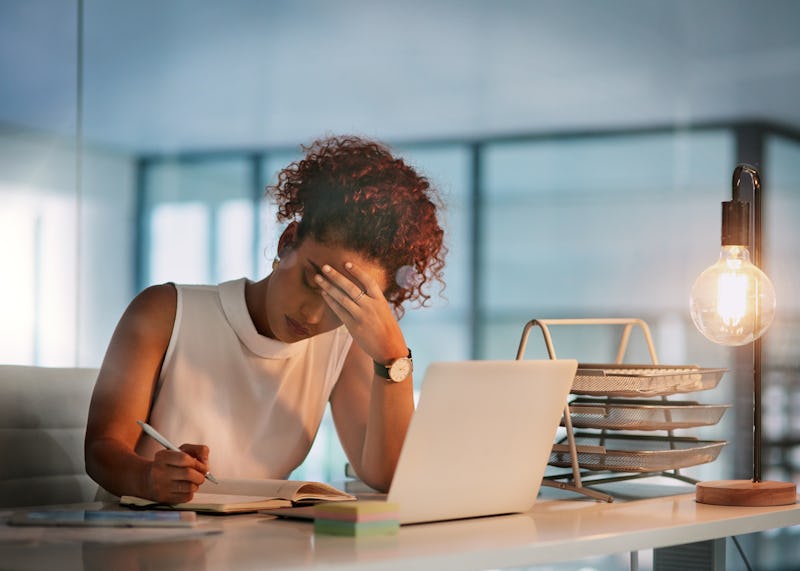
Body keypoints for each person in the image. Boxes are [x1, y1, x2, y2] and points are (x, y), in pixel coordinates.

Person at [85, 135, 446, 504]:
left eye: (343, 303)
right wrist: (147, 478)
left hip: (255, 548)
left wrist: (393, 358)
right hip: (136, 541)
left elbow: (387, 475)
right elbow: (101, 449)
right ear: (287, 242)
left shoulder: (341, 343)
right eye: (312, 280)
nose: (313, 314)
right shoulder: (165, 311)